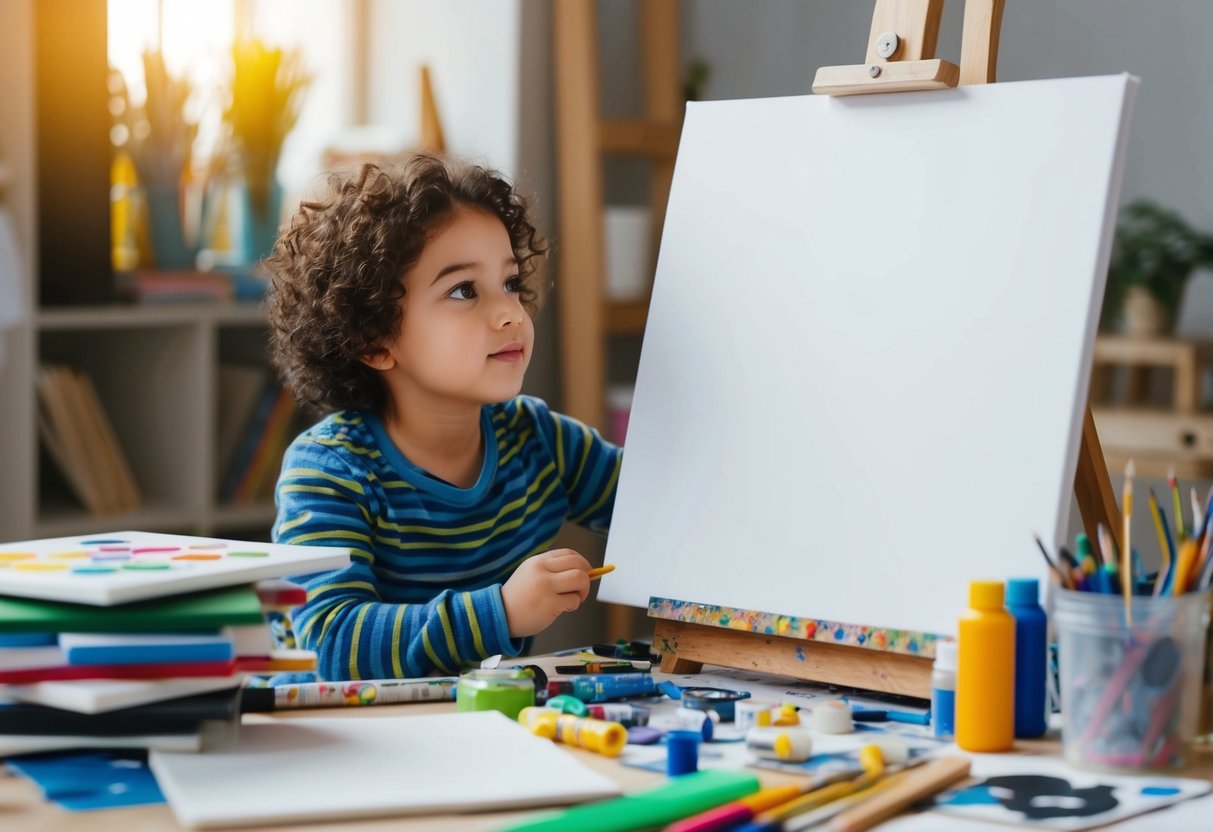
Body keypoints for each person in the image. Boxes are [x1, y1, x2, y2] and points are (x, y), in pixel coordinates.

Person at [265, 156, 622, 680]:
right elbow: (331, 643)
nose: (509, 313)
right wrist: (501, 612)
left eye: (510, 282)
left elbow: (653, 509)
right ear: (373, 339)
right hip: (330, 739)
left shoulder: (540, 440)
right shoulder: (330, 470)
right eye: (463, 291)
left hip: (460, 729)